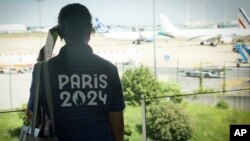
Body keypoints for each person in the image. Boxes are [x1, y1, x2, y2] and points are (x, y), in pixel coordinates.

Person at [26, 3, 125, 141]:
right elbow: (118, 127)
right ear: (90, 30)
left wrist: (46, 49)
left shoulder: (43, 70)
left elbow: (33, 114)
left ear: (60, 33)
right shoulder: (109, 70)